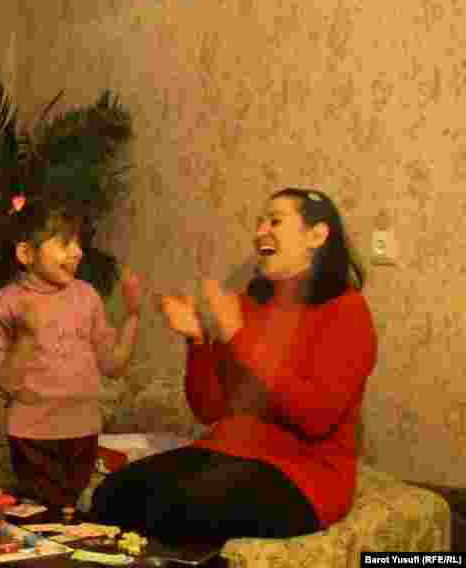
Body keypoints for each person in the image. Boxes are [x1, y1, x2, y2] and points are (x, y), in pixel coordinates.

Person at [91, 188, 378, 544]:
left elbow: (316, 415)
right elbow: (209, 408)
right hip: (224, 452)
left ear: (316, 236)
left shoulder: (346, 310)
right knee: (112, 495)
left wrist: (240, 339)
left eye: (275, 221)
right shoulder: (246, 304)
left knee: (187, 509)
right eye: (259, 222)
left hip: (302, 472)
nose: (260, 232)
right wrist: (197, 342)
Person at [0, 197, 141, 510]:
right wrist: (26, 336)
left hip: (83, 431)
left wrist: (133, 316)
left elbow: (112, 366)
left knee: (79, 517)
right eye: (65, 243)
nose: (78, 252)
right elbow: (3, 385)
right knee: (46, 513)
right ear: (26, 253)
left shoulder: (87, 296)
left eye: (78, 243)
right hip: (32, 438)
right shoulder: (2, 304)